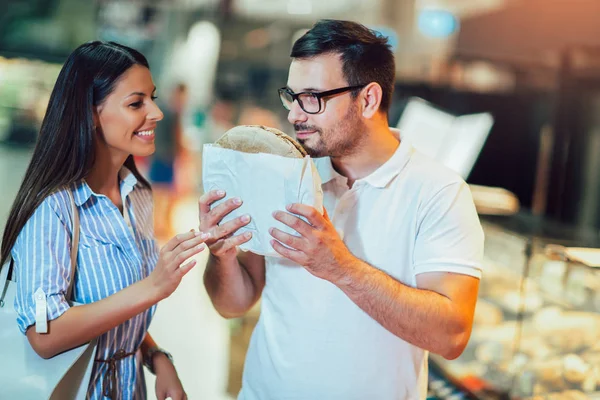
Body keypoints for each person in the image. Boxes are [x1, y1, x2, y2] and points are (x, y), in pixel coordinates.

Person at [202, 20, 484, 400]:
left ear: (368, 99)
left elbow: (451, 336)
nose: (295, 115)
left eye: (313, 97)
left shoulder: (439, 193)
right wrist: (221, 253)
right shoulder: (285, 170)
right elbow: (232, 304)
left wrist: (339, 267)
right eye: (292, 96)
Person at [0, 41, 208, 400]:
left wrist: (157, 358)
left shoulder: (138, 194)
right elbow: (43, 337)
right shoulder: (54, 208)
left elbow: (114, 308)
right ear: (91, 114)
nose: (156, 113)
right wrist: (155, 286)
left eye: (153, 98)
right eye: (136, 103)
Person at [149, 83, 188, 240]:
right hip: (167, 157)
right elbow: (178, 137)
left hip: (158, 155)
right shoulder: (174, 111)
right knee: (168, 194)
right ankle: (163, 225)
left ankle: (160, 225)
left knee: (160, 194)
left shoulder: (162, 109)